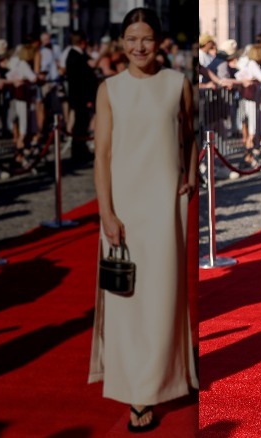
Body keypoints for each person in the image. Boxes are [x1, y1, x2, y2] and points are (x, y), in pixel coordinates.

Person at [90, 7, 198, 433]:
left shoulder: (177, 84)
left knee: (162, 299)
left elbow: (188, 134)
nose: (139, 47)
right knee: (127, 301)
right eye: (132, 39)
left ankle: (159, 380)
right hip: (124, 210)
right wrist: (106, 212)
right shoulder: (110, 89)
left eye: (147, 39)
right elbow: (101, 156)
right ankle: (137, 390)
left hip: (166, 208)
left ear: (159, 43)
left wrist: (191, 174)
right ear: (122, 43)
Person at [65, 30, 98, 165]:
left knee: (82, 124)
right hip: (80, 97)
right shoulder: (75, 57)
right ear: (82, 42)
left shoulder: (78, 55)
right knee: (80, 125)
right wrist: (88, 98)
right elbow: (82, 81)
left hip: (80, 97)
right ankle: (78, 152)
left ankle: (81, 150)